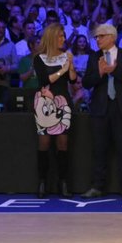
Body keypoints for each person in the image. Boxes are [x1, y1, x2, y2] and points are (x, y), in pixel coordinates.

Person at [81, 23, 122, 199]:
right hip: (101, 108)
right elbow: (86, 83)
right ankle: (97, 186)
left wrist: (115, 71)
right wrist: (99, 73)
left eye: (101, 36)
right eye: (96, 37)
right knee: (99, 149)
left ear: (112, 37)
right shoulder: (94, 57)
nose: (97, 39)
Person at [33, 23, 77, 197]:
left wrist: (70, 66)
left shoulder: (66, 56)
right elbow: (44, 80)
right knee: (44, 143)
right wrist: (62, 70)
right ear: (52, 37)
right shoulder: (39, 58)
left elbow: (73, 80)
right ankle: (42, 181)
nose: (63, 39)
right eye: (60, 36)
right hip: (44, 102)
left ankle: (63, 182)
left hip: (63, 101)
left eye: (64, 36)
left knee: (62, 143)